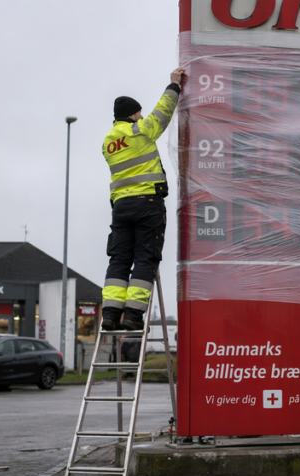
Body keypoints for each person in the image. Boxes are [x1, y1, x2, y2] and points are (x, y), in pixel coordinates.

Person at [101, 68, 185, 331]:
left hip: (121, 208)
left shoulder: (108, 142)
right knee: (146, 258)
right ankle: (134, 317)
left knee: (120, 260)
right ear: (131, 114)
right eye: (138, 112)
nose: (142, 115)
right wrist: (174, 85)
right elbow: (163, 112)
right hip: (147, 203)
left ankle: (111, 316)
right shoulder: (141, 130)